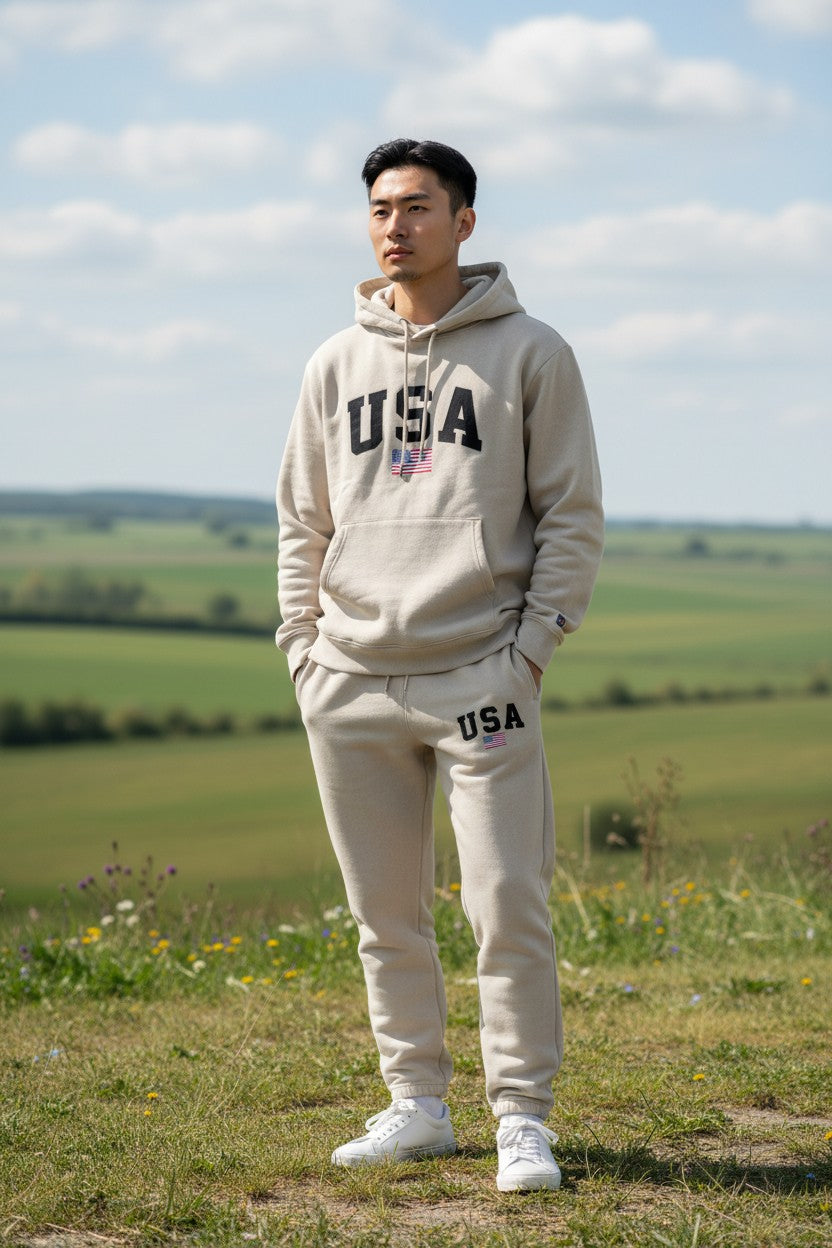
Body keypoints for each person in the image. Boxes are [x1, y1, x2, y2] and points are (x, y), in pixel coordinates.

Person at [276, 138, 603, 1191]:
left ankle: (522, 1120)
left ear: (464, 221)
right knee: (385, 917)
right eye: (379, 208)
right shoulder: (335, 361)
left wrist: (532, 652)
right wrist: (303, 649)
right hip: (350, 677)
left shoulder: (531, 353)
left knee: (505, 903)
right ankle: (415, 1104)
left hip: (482, 679)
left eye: (416, 206)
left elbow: (570, 514)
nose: (393, 226)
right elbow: (300, 521)